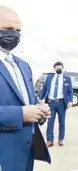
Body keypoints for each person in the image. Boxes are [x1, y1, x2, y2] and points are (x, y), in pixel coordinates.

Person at [0, 6, 51, 171]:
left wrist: (39, 110)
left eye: (18, 30)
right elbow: (23, 111)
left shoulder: (23, 65)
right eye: (8, 29)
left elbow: (29, 100)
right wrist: (21, 114)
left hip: (26, 153)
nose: (14, 34)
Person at [39, 61, 73, 147]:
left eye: (60, 69)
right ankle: (50, 140)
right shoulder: (50, 77)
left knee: (62, 122)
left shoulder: (67, 78)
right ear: (54, 69)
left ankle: (61, 139)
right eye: (57, 69)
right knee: (50, 122)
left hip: (62, 103)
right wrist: (40, 98)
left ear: (63, 68)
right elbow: (45, 88)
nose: (58, 70)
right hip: (51, 103)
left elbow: (70, 91)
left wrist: (70, 101)